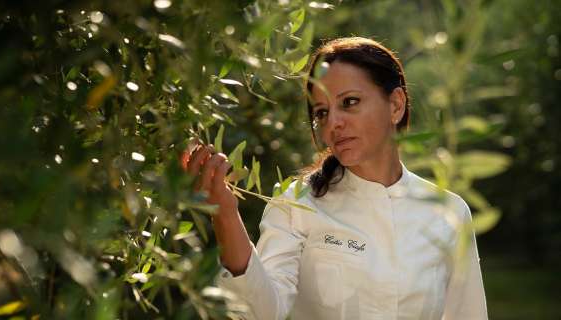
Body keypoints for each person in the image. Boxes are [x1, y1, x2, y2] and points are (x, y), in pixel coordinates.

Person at [181, 37, 488, 320]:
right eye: (322, 112)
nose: (333, 124)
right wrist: (224, 212)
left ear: (395, 105)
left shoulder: (448, 212)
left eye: (349, 102)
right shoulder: (297, 204)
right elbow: (261, 312)